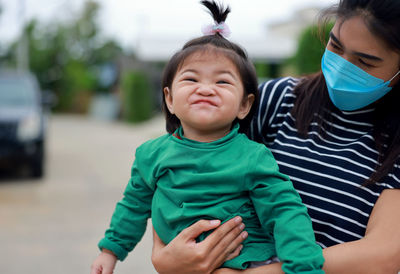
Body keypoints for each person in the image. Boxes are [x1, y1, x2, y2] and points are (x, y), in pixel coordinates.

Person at [150, 0, 400, 273]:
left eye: (365, 61)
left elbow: (382, 254)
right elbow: (181, 164)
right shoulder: (278, 99)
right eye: (335, 46)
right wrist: (163, 255)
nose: (342, 66)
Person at [90, 1, 325, 273]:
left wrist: (305, 267)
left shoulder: (252, 156)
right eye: (191, 79)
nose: (205, 89)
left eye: (222, 82)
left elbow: (284, 210)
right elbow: (133, 205)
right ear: (169, 99)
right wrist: (110, 252)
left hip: (247, 263)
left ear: (244, 105)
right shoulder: (151, 155)